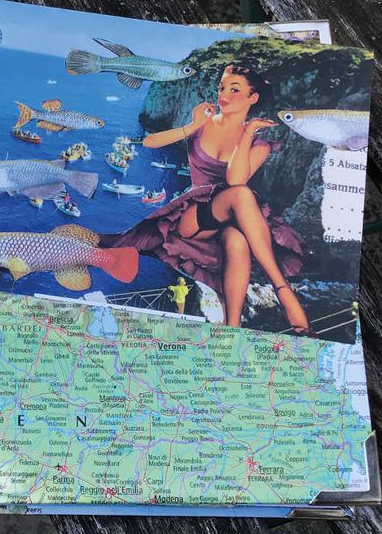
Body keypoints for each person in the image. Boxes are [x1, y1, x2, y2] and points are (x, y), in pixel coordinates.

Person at [98, 64, 312, 334]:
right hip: (192, 217)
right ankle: (283, 290)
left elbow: (235, 179)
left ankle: (232, 328)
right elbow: (150, 142)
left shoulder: (259, 145)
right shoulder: (203, 124)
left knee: (237, 240)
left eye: (235, 90)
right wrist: (192, 126)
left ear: (253, 98)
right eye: (222, 87)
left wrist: (247, 134)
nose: (224, 95)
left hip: (230, 220)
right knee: (241, 195)